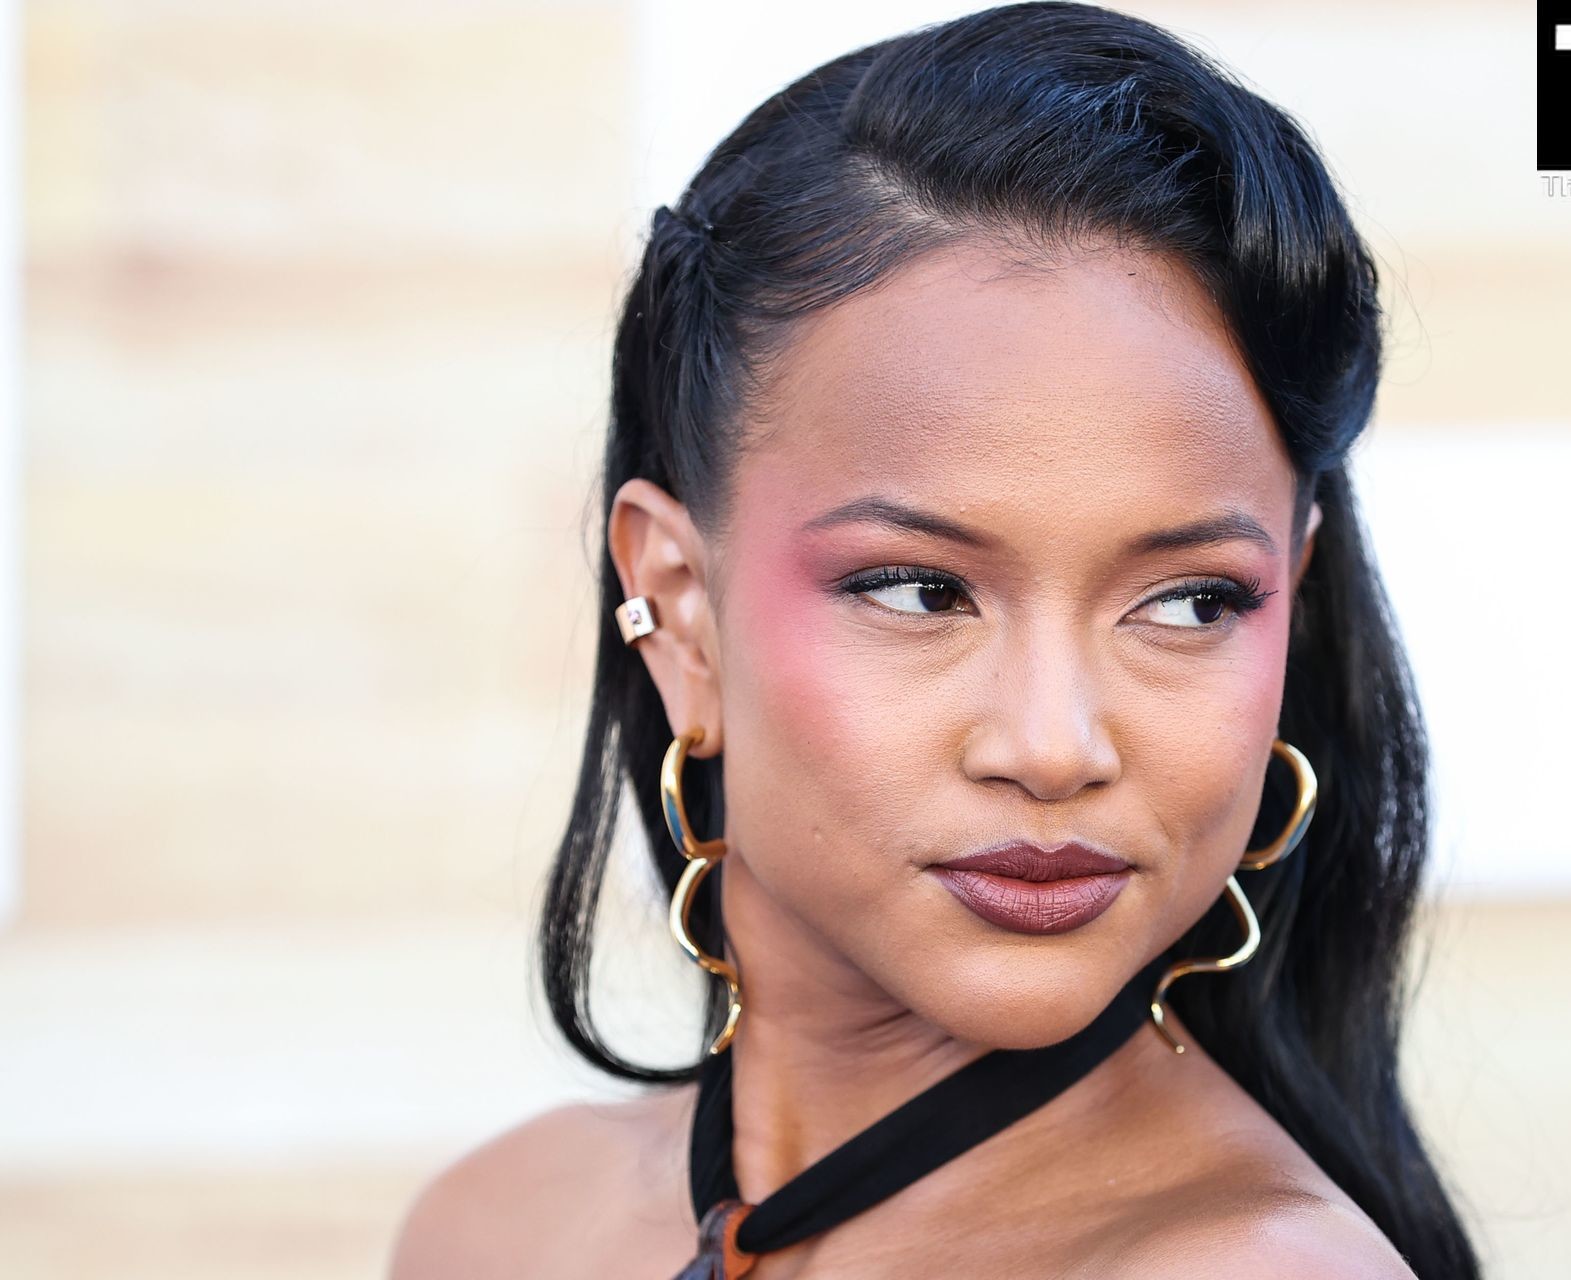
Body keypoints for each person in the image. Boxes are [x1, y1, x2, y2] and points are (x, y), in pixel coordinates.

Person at [390, 3, 1481, 1276]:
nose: (1055, 746)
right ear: (682, 613)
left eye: (1192, 601)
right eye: (919, 590)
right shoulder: (496, 1225)